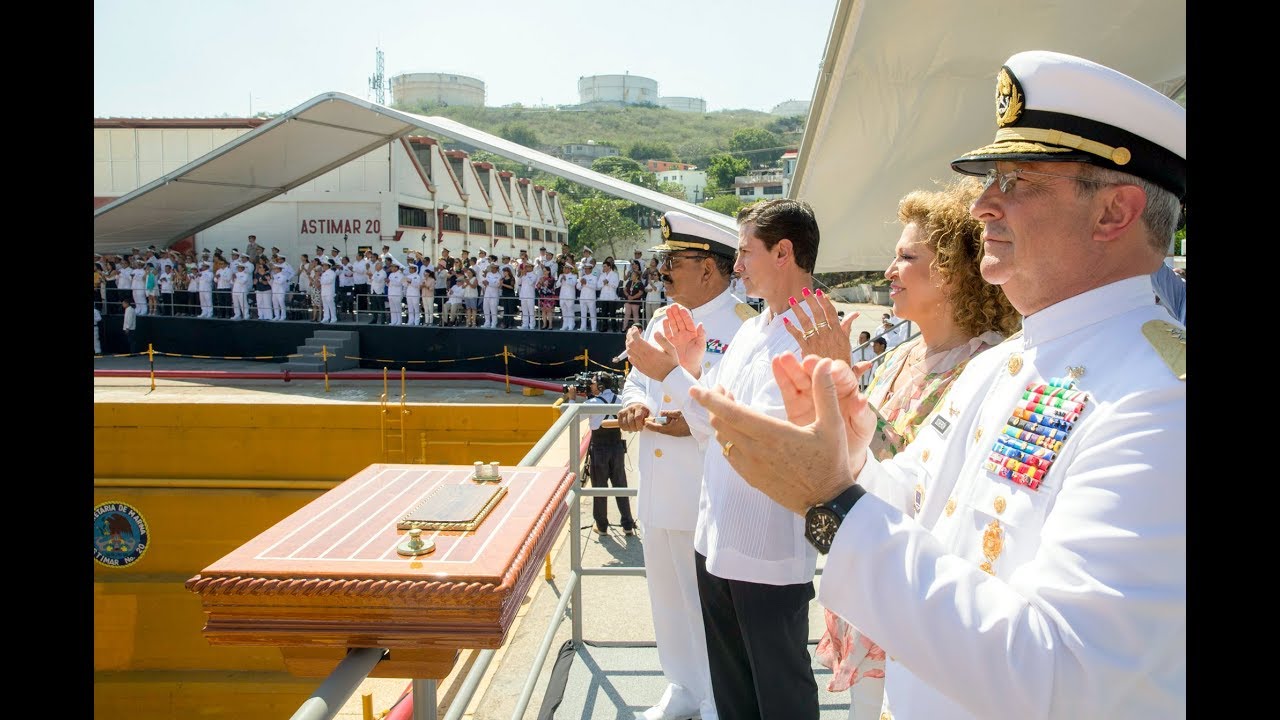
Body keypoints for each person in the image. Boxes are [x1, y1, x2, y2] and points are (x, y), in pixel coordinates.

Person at [687, 50, 1186, 719]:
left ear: (1114, 213)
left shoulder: (1159, 400)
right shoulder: (1003, 365)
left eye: (1017, 180)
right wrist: (846, 452)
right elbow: (921, 505)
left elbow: (1070, 672)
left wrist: (829, 498)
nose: (983, 204)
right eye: (990, 180)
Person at [812, 177, 1021, 719]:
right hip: (873, 574)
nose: (889, 272)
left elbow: (919, 470)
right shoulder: (900, 356)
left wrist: (853, 406)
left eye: (907, 257)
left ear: (951, 271)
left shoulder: (990, 364)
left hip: (923, 594)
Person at [624, 198, 827, 720]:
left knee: (779, 692)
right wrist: (688, 367)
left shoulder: (810, 333)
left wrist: (671, 374)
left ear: (783, 252)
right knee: (735, 691)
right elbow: (709, 409)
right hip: (718, 539)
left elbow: (752, 435)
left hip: (765, 547)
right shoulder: (759, 327)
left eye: (744, 252)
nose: (736, 266)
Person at [617, 210, 755, 720]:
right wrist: (636, 403)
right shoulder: (659, 319)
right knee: (669, 598)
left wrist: (684, 415)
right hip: (658, 486)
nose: (665, 270)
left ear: (710, 268)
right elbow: (640, 381)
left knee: (713, 609)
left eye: (677, 260)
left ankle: (720, 698)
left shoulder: (744, 327)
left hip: (707, 488)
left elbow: (731, 404)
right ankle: (681, 689)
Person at [581, 371, 636, 536]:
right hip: (617, 447)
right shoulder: (621, 400)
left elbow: (572, 417)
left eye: (592, 383)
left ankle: (602, 525)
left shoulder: (592, 403)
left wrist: (570, 398)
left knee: (599, 487)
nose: (590, 386)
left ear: (600, 385)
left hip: (599, 449)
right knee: (621, 485)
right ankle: (627, 524)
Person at [556, 263, 578, 331]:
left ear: (570, 269)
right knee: (564, 311)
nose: (564, 269)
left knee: (570, 310)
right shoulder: (561, 275)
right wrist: (560, 280)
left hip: (570, 296)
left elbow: (573, 284)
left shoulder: (574, 276)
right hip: (562, 296)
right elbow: (557, 285)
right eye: (564, 268)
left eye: (566, 268)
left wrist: (566, 279)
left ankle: (571, 324)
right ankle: (565, 325)